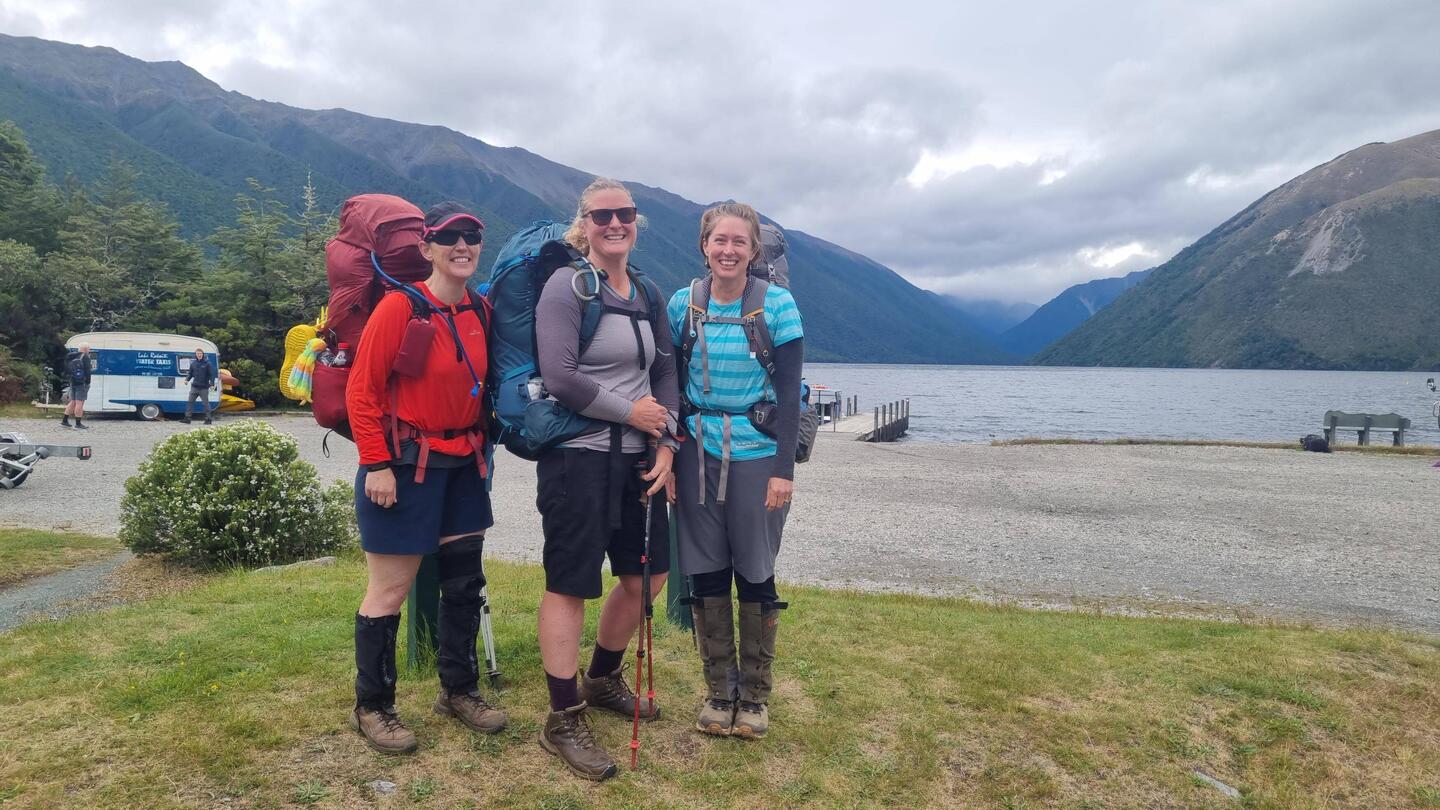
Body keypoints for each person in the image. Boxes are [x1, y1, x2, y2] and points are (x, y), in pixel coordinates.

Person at [345, 201, 505, 755]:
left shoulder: (481, 310)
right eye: (450, 237)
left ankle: (458, 690)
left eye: (472, 236)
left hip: (464, 463)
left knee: (463, 582)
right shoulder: (400, 308)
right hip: (404, 466)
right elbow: (362, 392)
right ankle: (373, 706)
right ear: (426, 248)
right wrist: (376, 464)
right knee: (390, 589)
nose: (463, 246)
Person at [533, 178, 679, 780]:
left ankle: (601, 677)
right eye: (602, 216)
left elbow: (665, 372)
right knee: (570, 583)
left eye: (624, 213)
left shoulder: (647, 291)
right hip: (578, 458)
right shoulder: (566, 287)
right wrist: (630, 413)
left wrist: (666, 439)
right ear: (585, 224)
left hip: (639, 458)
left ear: (635, 221)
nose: (614, 223)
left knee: (649, 576)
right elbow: (560, 376)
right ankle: (562, 716)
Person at [667, 202, 804, 740]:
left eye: (739, 242)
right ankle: (719, 693)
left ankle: (755, 697)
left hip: (758, 455)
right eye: (719, 240)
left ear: (753, 250)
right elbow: (669, 385)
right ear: (704, 246)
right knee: (704, 571)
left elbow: (789, 395)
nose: (728, 250)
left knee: (755, 568)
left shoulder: (778, 306)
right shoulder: (683, 305)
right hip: (695, 452)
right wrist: (667, 455)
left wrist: (783, 470)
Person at [181, 348, 216, 425]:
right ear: (196, 355)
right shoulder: (193, 363)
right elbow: (190, 373)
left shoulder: (207, 363)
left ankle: (208, 419)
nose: (199, 355)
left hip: (204, 387)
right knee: (190, 402)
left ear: (203, 354)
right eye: (198, 354)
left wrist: (212, 384)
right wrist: (187, 380)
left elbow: (211, 375)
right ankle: (187, 418)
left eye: (200, 353)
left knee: (205, 403)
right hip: (194, 387)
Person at [61, 344, 91, 429]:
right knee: (79, 402)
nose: (89, 350)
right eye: (89, 348)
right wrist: (88, 382)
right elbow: (87, 371)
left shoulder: (71, 356)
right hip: (81, 383)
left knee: (73, 401)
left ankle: (64, 421)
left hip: (73, 381)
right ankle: (78, 424)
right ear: (85, 349)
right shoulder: (85, 357)